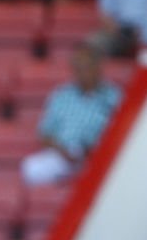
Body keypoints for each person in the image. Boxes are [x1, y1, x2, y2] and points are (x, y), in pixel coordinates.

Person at [21, 45, 122, 187]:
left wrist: (95, 152)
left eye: (87, 67)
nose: (83, 73)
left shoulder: (114, 96)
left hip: (98, 157)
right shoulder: (62, 95)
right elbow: (45, 134)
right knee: (31, 168)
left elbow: (120, 134)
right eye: (78, 68)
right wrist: (63, 152)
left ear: (98, 68)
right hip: (63, 155)